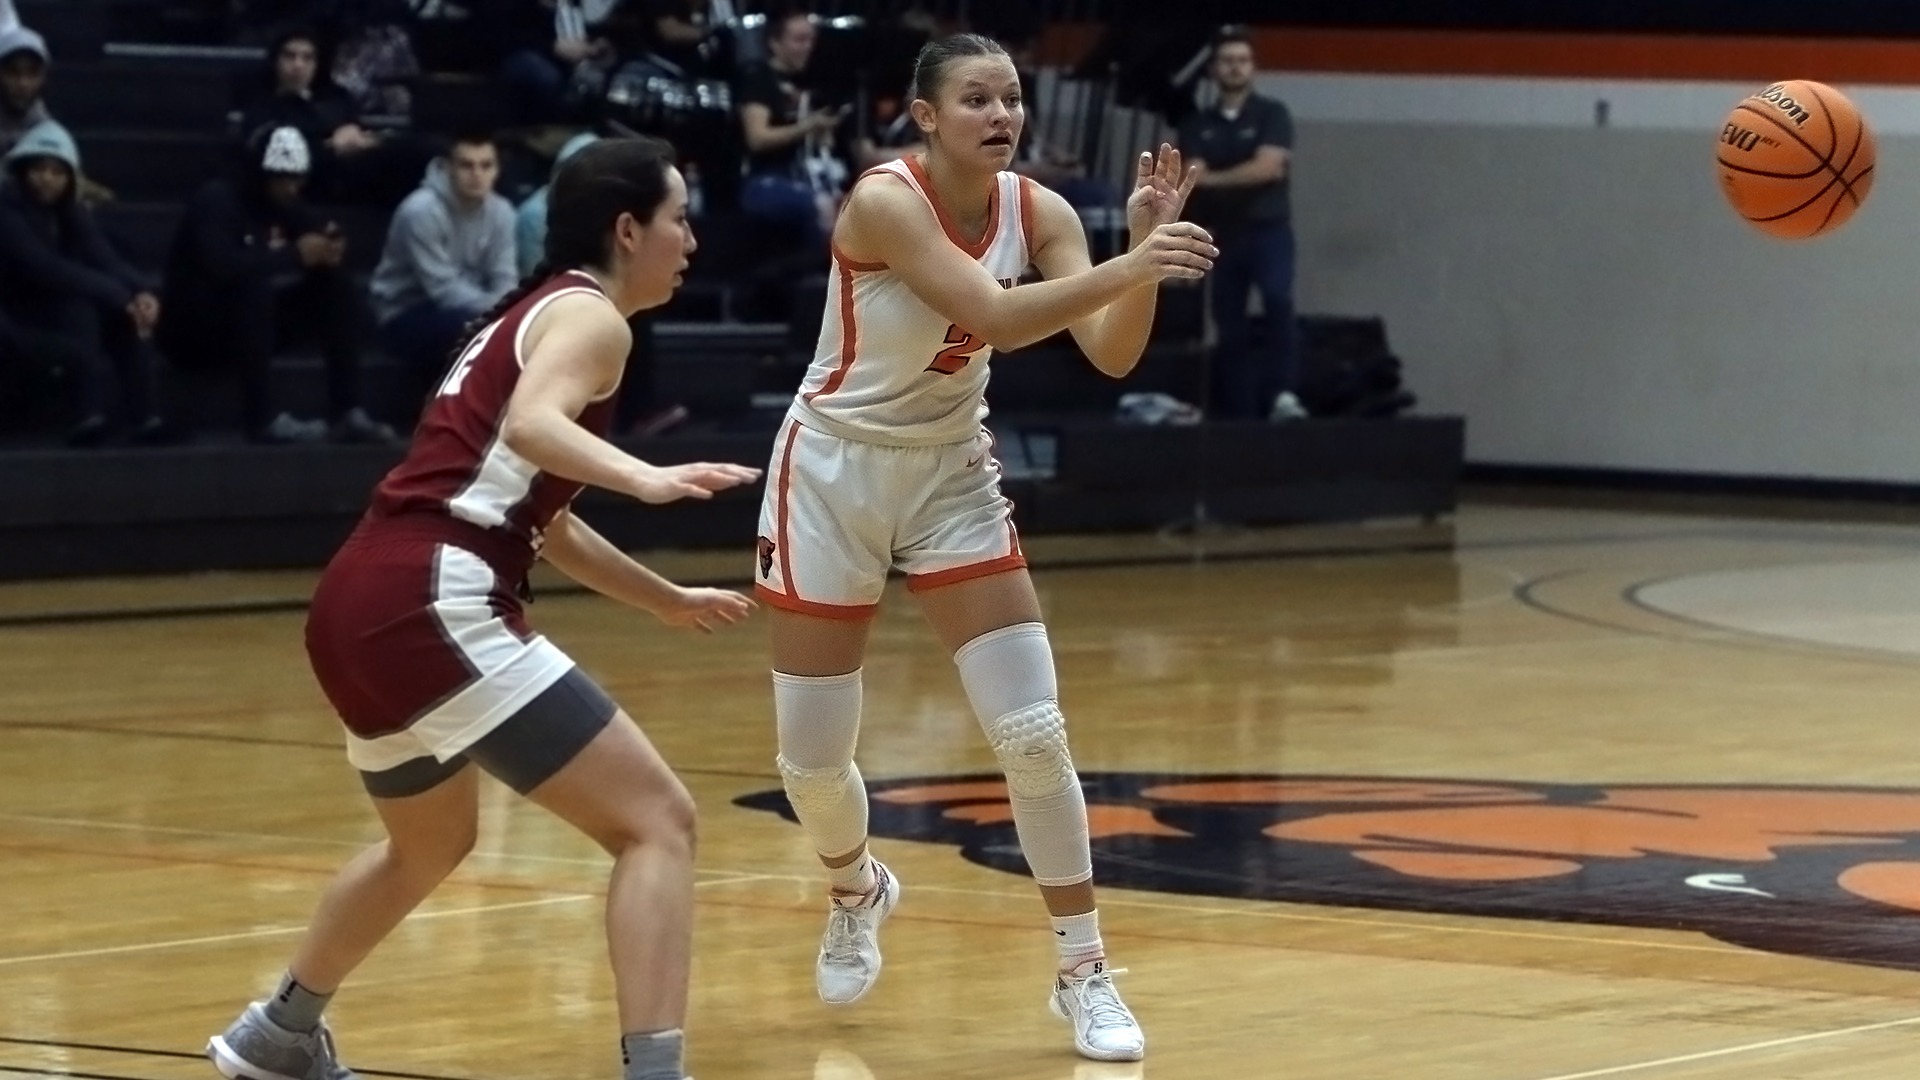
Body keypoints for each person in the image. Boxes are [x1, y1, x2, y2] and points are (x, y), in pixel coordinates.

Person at [203, 136, 761, 1080]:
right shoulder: (593, 318)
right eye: (679, 219)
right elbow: (534, 428)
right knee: (658, 822)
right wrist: (645, 477)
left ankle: (279, 1033)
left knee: (429, 843)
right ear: (628, 230)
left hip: (358, 599)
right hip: (431, 596)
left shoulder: (531, 315)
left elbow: (544, 517)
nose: (692, 241)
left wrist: (663, 599)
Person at [753, 32, 1213, 1063]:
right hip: (831, 473)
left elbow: (1112, 352)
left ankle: (1084, 969)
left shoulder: (1042, 212)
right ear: (925, 115)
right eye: (976, 99)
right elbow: (997, 318)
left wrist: (1137, 258)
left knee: (1034, 730)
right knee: (812, 762)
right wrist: (1132, 264)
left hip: (950, 471)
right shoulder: (884, 200)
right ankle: (855, 886)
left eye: (1011, 97)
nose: (1002, 114)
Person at [160, 124, 393, 444]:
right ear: (261, 174)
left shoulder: (282, 200)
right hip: (195, 331)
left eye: (298, 179)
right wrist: (294, 254)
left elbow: (313, 229)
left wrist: (330, 243)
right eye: (283, 180)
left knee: (334, 284)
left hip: (249, 328)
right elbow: (221, 267)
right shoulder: (216, 201)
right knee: (252, 288)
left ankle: (347, 411)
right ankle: (261, 421)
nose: (292, 188)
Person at [0, 120, 176, 445]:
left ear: (70, 178)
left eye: (57, 172)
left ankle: (145, 418)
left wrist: (141, 293)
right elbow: (42, 267)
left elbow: (105, 258)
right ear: (23, 170)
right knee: (81, 305)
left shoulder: (69, 210)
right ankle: (85, 417)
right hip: (15, 311)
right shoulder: (6, 206)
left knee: (126, 315)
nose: (47, 179)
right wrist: (119, 295)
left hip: (51, 301)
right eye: (39, 169)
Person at [1175, 25, 1307, 422]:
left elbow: (1268, 168)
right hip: (1223, 233)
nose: (1235, 67)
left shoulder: (1272, 114)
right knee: (1228, 321)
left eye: (1243, 60)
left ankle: (1283, 394)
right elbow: (1192, 174)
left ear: (1253, 67)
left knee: (1278, 301)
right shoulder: (1196, 123)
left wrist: (1214, 177)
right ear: (1214, 69)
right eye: (1227, 61)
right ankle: (1239, 411)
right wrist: (1231, 175)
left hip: (1269, 229)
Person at [370, 132, 518, 407]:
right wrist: (499, 315)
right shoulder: (420, 211)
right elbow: (442, 290)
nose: (477, 174)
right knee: (471, 331)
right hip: (404, 310)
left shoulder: (503, 212)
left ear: (497, 170)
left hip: (475, 308)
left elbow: (505, 277)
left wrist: (509, 315)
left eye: (486, 165)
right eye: (466, 165)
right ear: (447, 167)